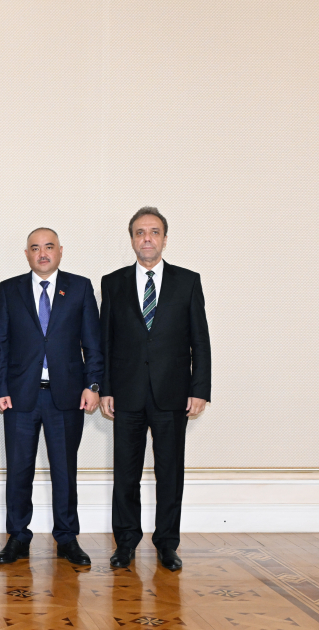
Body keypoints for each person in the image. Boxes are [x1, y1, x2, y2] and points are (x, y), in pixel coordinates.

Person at [101, 207, 211, 571]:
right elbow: (105, 342)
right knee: (125, 474)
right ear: (132, 239)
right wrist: (105, 389)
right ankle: (125, 543)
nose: (146, 238)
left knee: (170, 474)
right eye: (139, 232)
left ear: (164, 239)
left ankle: (167, 544)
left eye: (154, 232)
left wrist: (200, 388)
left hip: (172, 394)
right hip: (126, 394)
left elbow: (200, 340)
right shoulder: (112, 283)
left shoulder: (188, 281)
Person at [0, 228, 103, 566]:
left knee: (64, 471)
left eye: (49, 247)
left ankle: (67, 538)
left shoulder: (80, 287)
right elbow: (0, 344)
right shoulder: (9, 289)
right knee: (19, 471)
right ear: (26, 253)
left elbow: (93, 343)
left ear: (60, 251)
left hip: (66, 397)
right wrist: (0, 389)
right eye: (35, 248)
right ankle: (18, 537)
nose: (42, 253)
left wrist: (93, 385)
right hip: (19, 398)